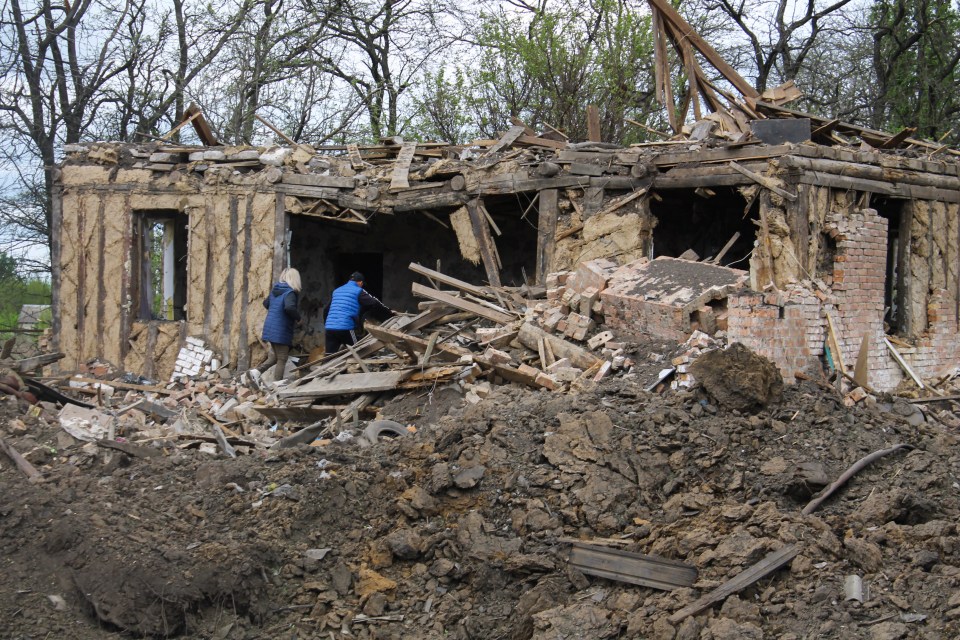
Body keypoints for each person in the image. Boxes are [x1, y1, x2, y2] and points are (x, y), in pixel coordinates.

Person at [325, 272, 393, 354]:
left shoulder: (337, 291)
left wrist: (329, 323)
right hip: (345, 328)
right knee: (358, 352)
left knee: (329, 356)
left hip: (329, 328)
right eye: (362, 284)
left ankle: (325, 366)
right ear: (360, 282)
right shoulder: (358, 291)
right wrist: (389, 312)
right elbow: (374, 302)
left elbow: (326, 309)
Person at [256, 267, 302, 381]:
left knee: (275, 357)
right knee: (282, 358)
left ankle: (255, 372)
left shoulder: (275, 290)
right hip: (281, 329)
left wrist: (275, 309)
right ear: (295, 279)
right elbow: (289, 307)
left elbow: (266, 303)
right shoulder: (290, 292)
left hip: (270, 327)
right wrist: (298, 318)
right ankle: (278, 384)